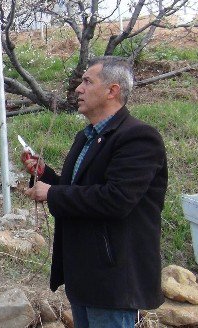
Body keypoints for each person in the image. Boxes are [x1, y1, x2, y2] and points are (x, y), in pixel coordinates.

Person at [22, 56, 168, 328]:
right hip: (85, 276)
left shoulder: (139, 138)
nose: (78, 88)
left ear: (112, 90)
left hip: (113, 281)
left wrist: (52, 193)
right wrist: (43, 174)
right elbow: (76, 191)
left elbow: (117, 199)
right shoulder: (87, 136)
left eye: (88, 81)